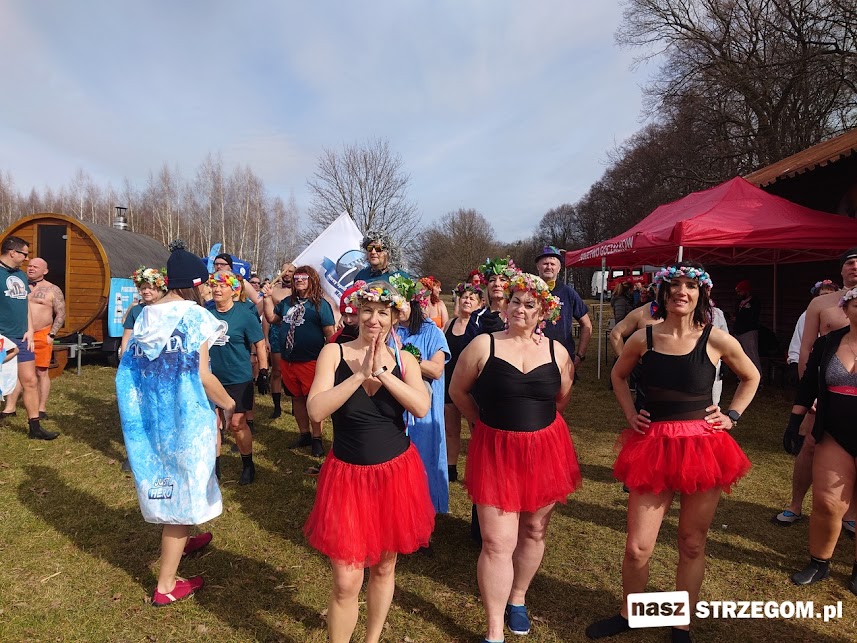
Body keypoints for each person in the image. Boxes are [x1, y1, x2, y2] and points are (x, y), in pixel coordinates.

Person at [586, 262, 760, 642]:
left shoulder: (716, 338)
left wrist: (732, 415)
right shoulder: (643, 338)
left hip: (703, 447)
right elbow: (618, 375)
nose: (682, 291)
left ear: (701, 295)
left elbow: (751, 376)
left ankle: (681, 623)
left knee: (692, 543)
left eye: (690, 286)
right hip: (653, 446)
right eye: (675, 285)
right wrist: (630, 413)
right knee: (638, 547)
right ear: (663, 293)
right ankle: (631, 613)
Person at [451, 272, 580, 642]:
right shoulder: (483, 345)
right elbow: (458, 391)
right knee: (496, 542)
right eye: (515, 302)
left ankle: (518, 598)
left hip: (545, 450)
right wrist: (481, 423)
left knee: (535, 529)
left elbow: (561, 398)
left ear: (543, 312)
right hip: (495, 451)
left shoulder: (557, 352)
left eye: (529, 304)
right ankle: (494, 628)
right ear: (505, 306)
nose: (520, 309)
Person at [304, 281, 433, 643]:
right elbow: (316, 410)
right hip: (347, 476)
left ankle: (372, 639)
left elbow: (421, 407)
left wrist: (384, 374)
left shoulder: (405, 359)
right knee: (346, 581)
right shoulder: (334, 353)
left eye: (382, 313)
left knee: (384, 566)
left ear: (394, 318)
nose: (373, 319)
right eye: (367, 311)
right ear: (356, 313)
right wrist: (360, 375)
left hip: (395, 474)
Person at [116, 239, 236, 607]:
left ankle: (182, 538)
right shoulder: (195, 317)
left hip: (153, 415)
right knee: (186, 485)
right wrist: (229, 404)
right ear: (195, 284)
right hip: (187, 418)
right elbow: (203, 375)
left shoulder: (145, 315)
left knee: (170, 478)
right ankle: (166, 585)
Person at [779, 250, 857, 532]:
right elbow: (807, 348)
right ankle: (795, 504)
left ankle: (850, 513)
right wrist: (809, 392)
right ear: (841, 269)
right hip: (825, 389)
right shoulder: (822, 304)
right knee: (811, 444)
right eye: (850, 263)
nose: (855, 267)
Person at [788, 286, 857, 592]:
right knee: (827, 503)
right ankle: (819, 562)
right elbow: (808, 385)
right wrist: (795, 421)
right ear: (846, 309)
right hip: (834, 433)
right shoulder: (828, 342)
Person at [392, 274, 451, 518]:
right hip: (395, 408)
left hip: (424, 411)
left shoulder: (432, 332)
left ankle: (425, 515)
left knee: (424, 459)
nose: (397, 308)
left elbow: (436, 370)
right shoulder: (389, 331)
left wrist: (406, 355)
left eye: (402, 303)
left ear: (414, 303)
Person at [262, 266, 335, 457]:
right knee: (296, 398)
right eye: (296, 277)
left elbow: (330, 334)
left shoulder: (320, 305)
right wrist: (267, 297)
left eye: (304, 277)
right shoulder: (287, 302)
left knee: (313, 400)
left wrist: (329, 360)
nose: (299, 280)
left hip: (310, 361)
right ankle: (304, 435)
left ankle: (317, 438)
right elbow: (271, 318)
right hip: (288, 361)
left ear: (312, 280)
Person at [207, 271, 268, 485]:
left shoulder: (244, 314)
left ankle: (248, 466)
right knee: (213, 423)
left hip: (238, 377)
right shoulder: (206, 313)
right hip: (211, 377)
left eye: (222, 286)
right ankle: (214, 470)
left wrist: (263, 371)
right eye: (214, 285)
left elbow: (259, 343)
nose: (217, 289)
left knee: (237, 423)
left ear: (233, 290)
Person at [0, 236, 56, 439]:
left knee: (30, 380)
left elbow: (25, 306)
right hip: (2, 337)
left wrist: (30, 330)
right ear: (12, 252)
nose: (26, 259)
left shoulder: (21, 276)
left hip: (22, 338)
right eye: (24, 254)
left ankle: (35, 427)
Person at [1, 257, 66, 420]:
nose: (31, 268)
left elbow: (60, 313)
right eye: (29, 266)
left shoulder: (52, 289)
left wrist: (52, 334)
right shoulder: (18, 284)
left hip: (42, 334)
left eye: (36, 267)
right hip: (20, 333)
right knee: (15, 370)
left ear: (45, 271)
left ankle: (41, 408)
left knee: (41, 371)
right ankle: (10, 407)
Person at [444, 282, 483, 483]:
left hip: (472, 384)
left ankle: (477, 468)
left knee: (476, 427)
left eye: (471, 298)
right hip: (449, 381)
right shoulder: (449, 324)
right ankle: (450, 468)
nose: (467, 300)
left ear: (480, 304)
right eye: (464, 297)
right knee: (451, 429)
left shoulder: (479, 326)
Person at [534, 246, 593, 371]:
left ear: (559, 268)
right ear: (538, 266)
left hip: (562, 358)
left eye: (552, 264)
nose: (549, 267)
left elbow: (586, 324)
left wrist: (580, 355)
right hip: (533, 357)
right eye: (545, 263)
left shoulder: (568, 293)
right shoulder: (528, 290)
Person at [466, 257, 519, 338]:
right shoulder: (477, 317)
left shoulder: (518, 315)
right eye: (492, 280)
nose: (497, 284)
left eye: (502, 280)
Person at [268, 262, 295, 419]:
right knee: (277, 371)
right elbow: (268, 317)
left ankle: (295, 403)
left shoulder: (300, 291)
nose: (287, 274)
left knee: (293, 370)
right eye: (284, 270)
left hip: (295, 332)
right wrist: (265, 337)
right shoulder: (274, 289)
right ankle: (277, 407)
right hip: (277, 332)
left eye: (290, 271)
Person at [120, 267, 168, 357]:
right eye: (143, 288)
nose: (146, 291)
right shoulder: (135, 310)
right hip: (140, 355)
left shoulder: (168, 309)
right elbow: (127, 337)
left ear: (160, 289)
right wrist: (123, 358)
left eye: (150, 288)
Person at [734, 278, 762, 376]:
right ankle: (742, 376)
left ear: (746, 291)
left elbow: (753, 316)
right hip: (738, 331)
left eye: (740, 291)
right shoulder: (739, 302)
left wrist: (740, 318)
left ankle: (758, 376)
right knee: (740, 355)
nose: (739, 294)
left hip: (749, 331)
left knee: (752, 354)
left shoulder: (754, 302)